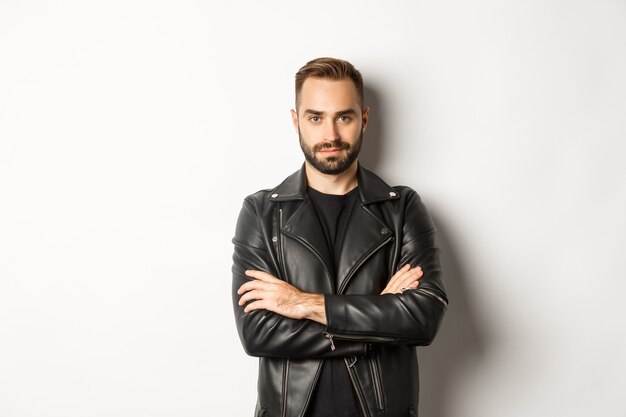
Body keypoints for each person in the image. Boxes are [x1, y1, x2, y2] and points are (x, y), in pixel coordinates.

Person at [231, 57, 448, 417]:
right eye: (315, 118)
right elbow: (258, 332)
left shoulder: (403, 208)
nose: (330, 135)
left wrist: (305, 305)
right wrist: (380, 316)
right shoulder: (261, 213)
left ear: (363, 119)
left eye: (343, 117)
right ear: (295, 121)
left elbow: (423, 318)